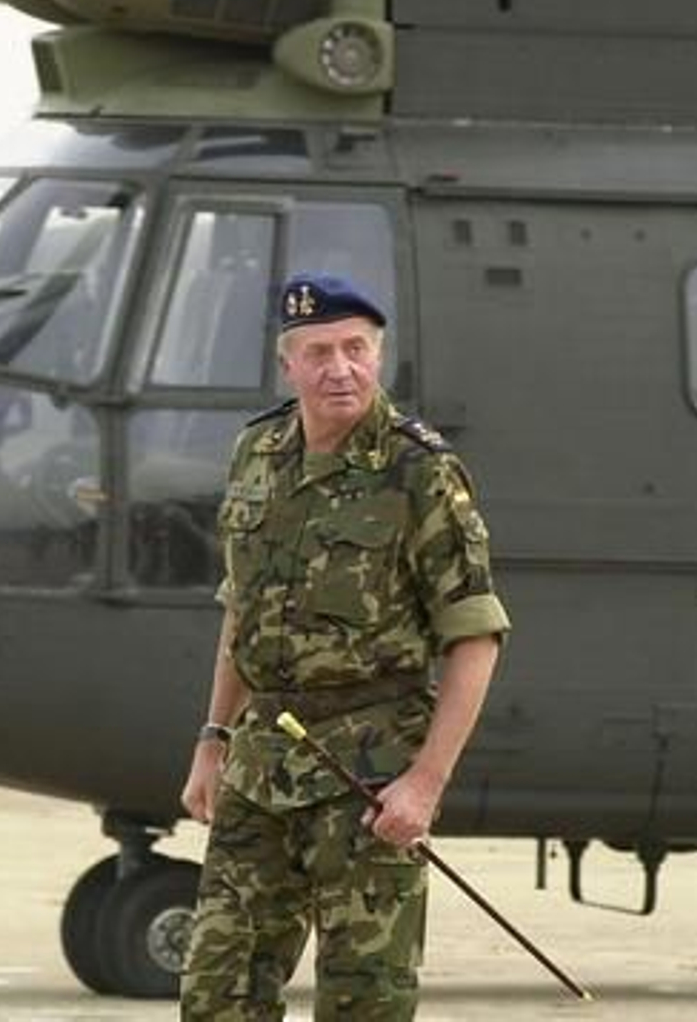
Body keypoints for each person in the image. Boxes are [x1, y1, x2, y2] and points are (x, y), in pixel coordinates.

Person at [178, 272, 510, 1021]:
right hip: (261, 765)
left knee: (365, 1000)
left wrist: (424, 783)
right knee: (216, 993)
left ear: (378, 354)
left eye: (357, 349)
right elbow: (243, 610)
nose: (341, 368)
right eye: (320, 351)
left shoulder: (419, 468)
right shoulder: (257, 450)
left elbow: (476, 634)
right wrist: (213, 738)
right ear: (286, 362)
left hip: (368, 771)